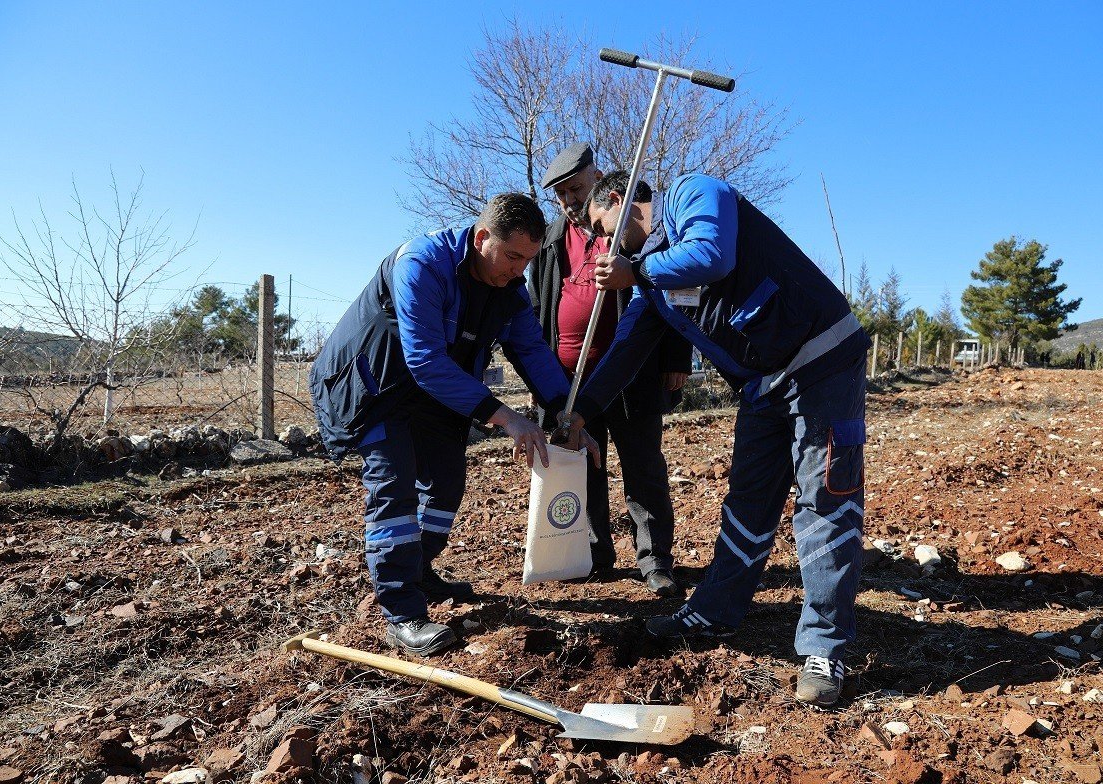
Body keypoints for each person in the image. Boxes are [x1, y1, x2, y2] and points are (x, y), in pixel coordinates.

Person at [562, 171, 870, 707]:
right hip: (763, 386)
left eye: (600, 228)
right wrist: (582, 412)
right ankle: (715, 612)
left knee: (825, 502)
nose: (599, 243)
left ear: (620, 199)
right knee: (747, 502)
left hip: (821, 360)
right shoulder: (652, 286)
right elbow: (628, 349)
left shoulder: (693, 193)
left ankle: (824, 648)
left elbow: (712, 255)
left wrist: (636, 270)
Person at [310, 193, 599, 657]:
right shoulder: (422, 263)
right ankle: (403, 613)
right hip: (373, 386)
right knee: (395, 487)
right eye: (512, 257)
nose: (519, 270)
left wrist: (566, 411)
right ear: (483, 238)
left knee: (445, 482)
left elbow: (529, 351)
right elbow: (424, 359)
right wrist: (505, 417)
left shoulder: (510, 289)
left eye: (527, 259)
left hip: (435, 391)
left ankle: (419, 571)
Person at [528, 143, 692, 596]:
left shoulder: (629, 226)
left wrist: (677, 357)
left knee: (642, 466)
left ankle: (655, 560)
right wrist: (541, 380)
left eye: (577, 189)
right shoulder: (550, 238)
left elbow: (669, 284)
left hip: (630, 371)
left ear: (598, 178)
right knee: (582, 467)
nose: (570, 201)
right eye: (561, 195)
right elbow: (539, 306)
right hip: (565, 380)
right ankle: (595, 556)